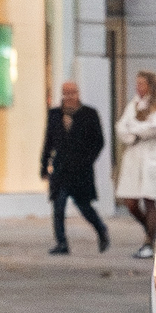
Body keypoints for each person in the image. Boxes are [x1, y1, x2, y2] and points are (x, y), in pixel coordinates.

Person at [40, 80, 108, 254]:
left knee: (84, 206)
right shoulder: (55, 114)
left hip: (81, 170)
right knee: (58, 206)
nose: (69, 96)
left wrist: (88, 159)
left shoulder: (89, 114)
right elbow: (49, 141)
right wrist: (44, 164)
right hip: (61, 168)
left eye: (73, 92)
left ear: (78, 93)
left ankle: (101, 229)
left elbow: (98, 141)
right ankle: (62, 243)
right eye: (66, 93)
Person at [114, 71, 156, 258]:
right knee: (130, 202)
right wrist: (133, 133)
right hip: (134, 155)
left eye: (141, 84)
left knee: (149, 199)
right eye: (136, 83)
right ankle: (150, 231)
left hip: (150, 156)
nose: (138, 87)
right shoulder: (133, 104)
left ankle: (149, 240)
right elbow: (121, 126)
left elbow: (154, 127)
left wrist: (135, 129)